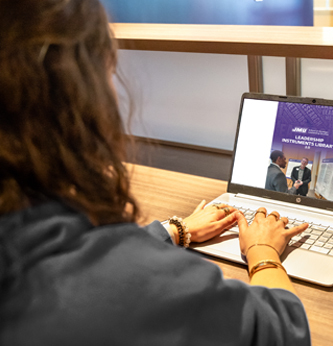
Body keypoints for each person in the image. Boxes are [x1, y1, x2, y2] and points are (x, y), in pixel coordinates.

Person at [0, 0, 311, 345]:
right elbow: (285, 330)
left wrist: (172, 230)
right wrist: (263, 252)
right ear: (79, 95)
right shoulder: (122, 282)